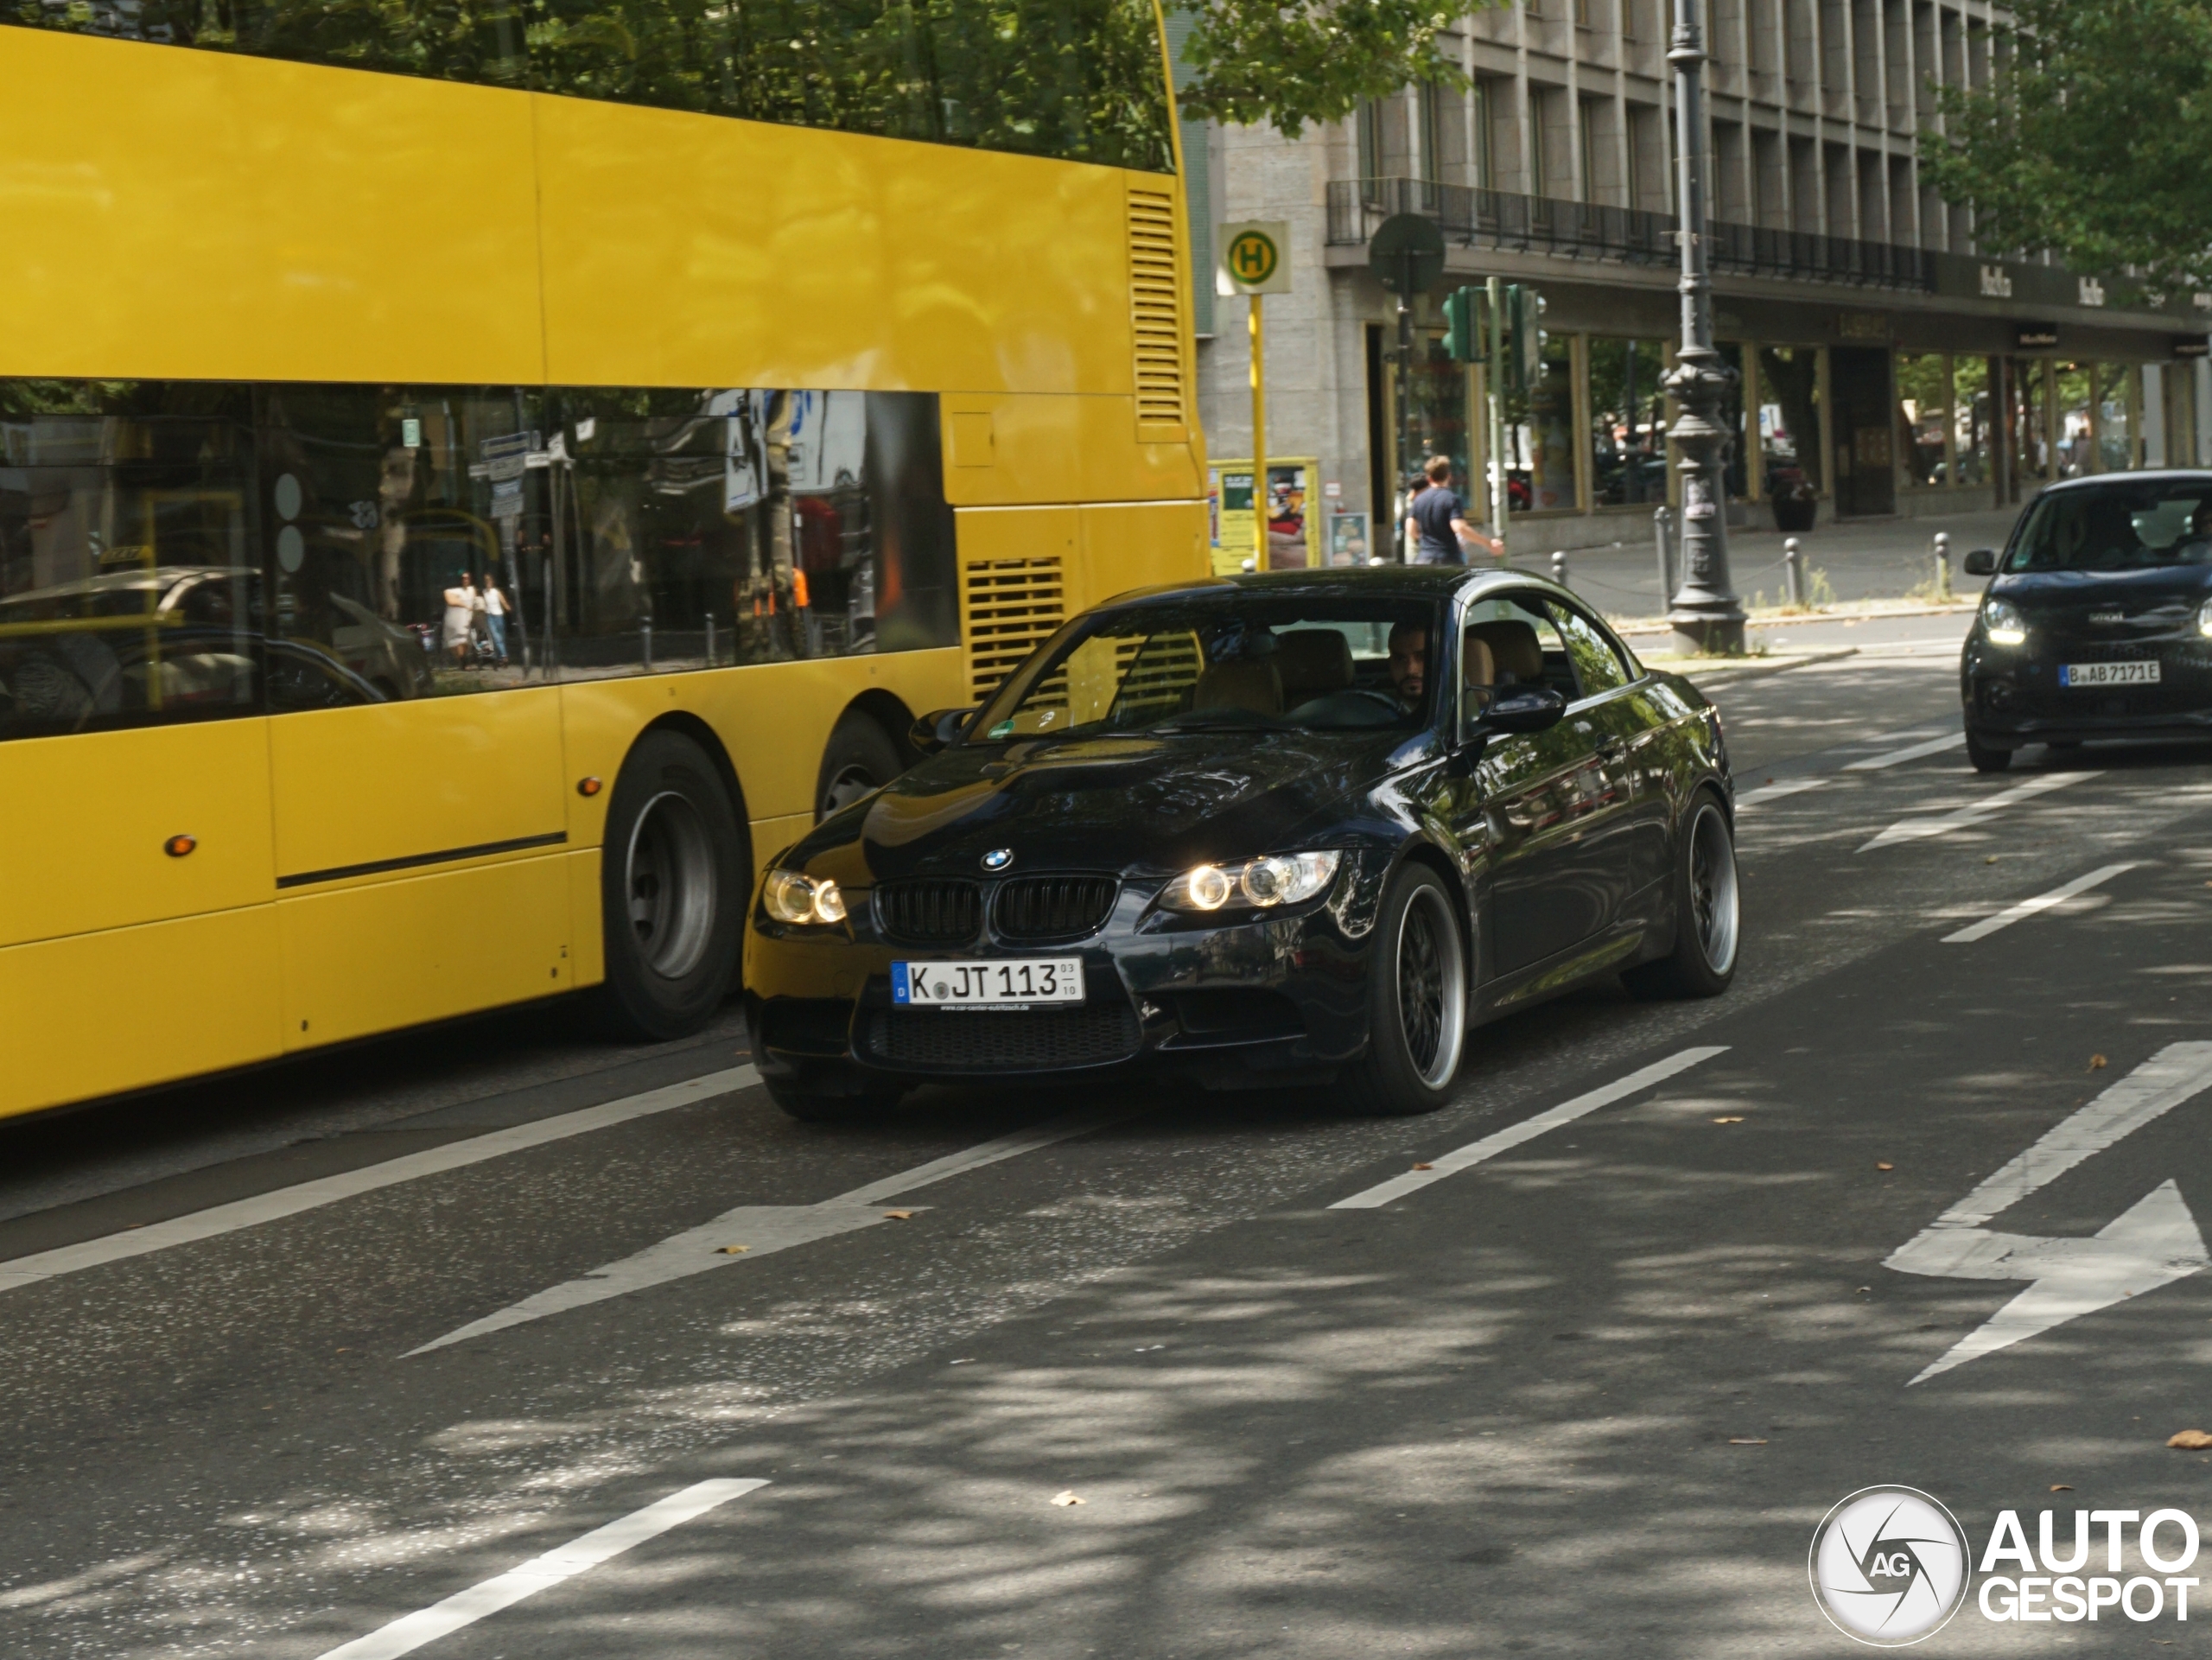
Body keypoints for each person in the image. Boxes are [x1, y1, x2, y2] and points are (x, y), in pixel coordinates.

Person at [1405, 455, 1503, 565]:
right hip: (1448, 559)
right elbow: (1460, 528)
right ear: (1449, 476)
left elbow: (1411, 529)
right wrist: (1488, 543)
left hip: (1424, 558)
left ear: (1429, 478)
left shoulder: (1419, 500)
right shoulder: (1451, 499)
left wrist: (1425, 540)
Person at [1386, 620, 1427, 707]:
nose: (1410, 670)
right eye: (1400, 659)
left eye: (1422, 657)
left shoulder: (1460, 710)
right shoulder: (1374, 710)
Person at [441, 576, 476, 665]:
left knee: (465, 641)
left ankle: (463, 660)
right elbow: (450, 601)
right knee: (458, 641)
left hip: (468, 618)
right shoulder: (452, 591)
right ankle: (462, 660)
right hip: (456, 619)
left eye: (467, 578)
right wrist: (464, 605)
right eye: (463, 578)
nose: (465, 580)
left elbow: (474, 601)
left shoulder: (472, 590)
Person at [481, 580, 509, 663]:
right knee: (495, 636)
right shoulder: (484, 592)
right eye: (486, 582)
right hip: (490, 616)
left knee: (501, 636)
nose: (488, 584)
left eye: (489, 582)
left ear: (492, 583)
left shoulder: (496, 592)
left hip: (499, 615)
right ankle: (504, 655)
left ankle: (499, 656)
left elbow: (503, 601)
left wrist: (507, 607)